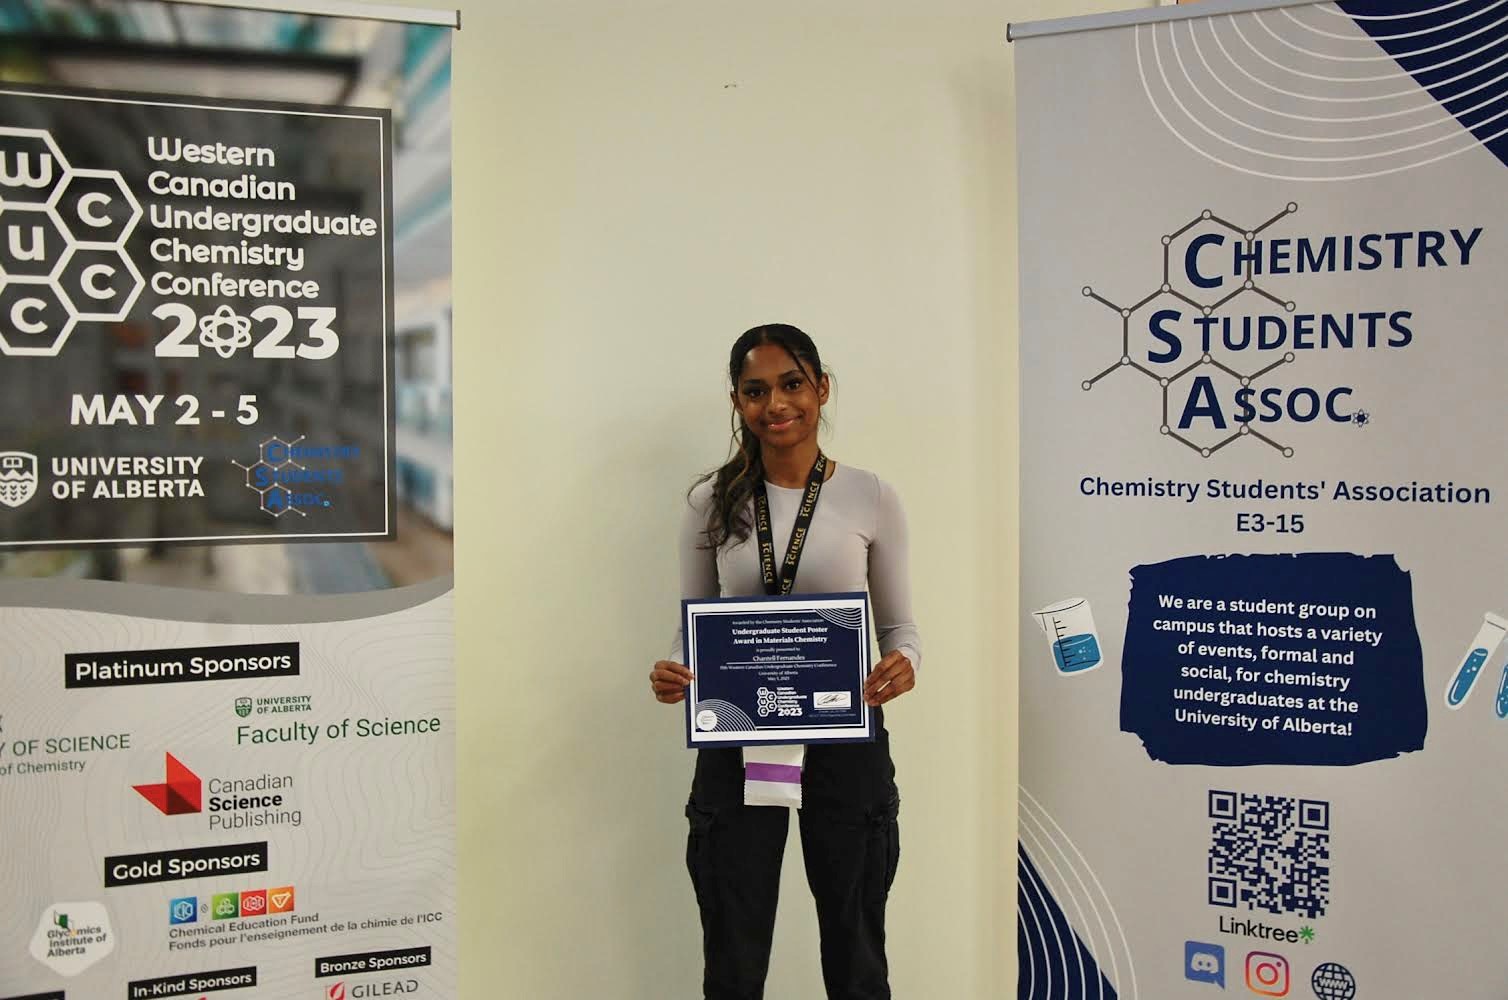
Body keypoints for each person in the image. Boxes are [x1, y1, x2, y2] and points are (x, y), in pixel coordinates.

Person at [649, 323, 921, 1000]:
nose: (776, 403)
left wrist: (905, 662)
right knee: (734, 954)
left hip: (845, 734)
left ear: (821, 388)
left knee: (856, 948)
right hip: (740, 732)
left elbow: (899, 625)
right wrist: (674, 670)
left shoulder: (871, 495)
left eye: (792, 383)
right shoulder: (711, 501)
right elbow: (695, 623)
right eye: (755, 390)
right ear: (737, 402)